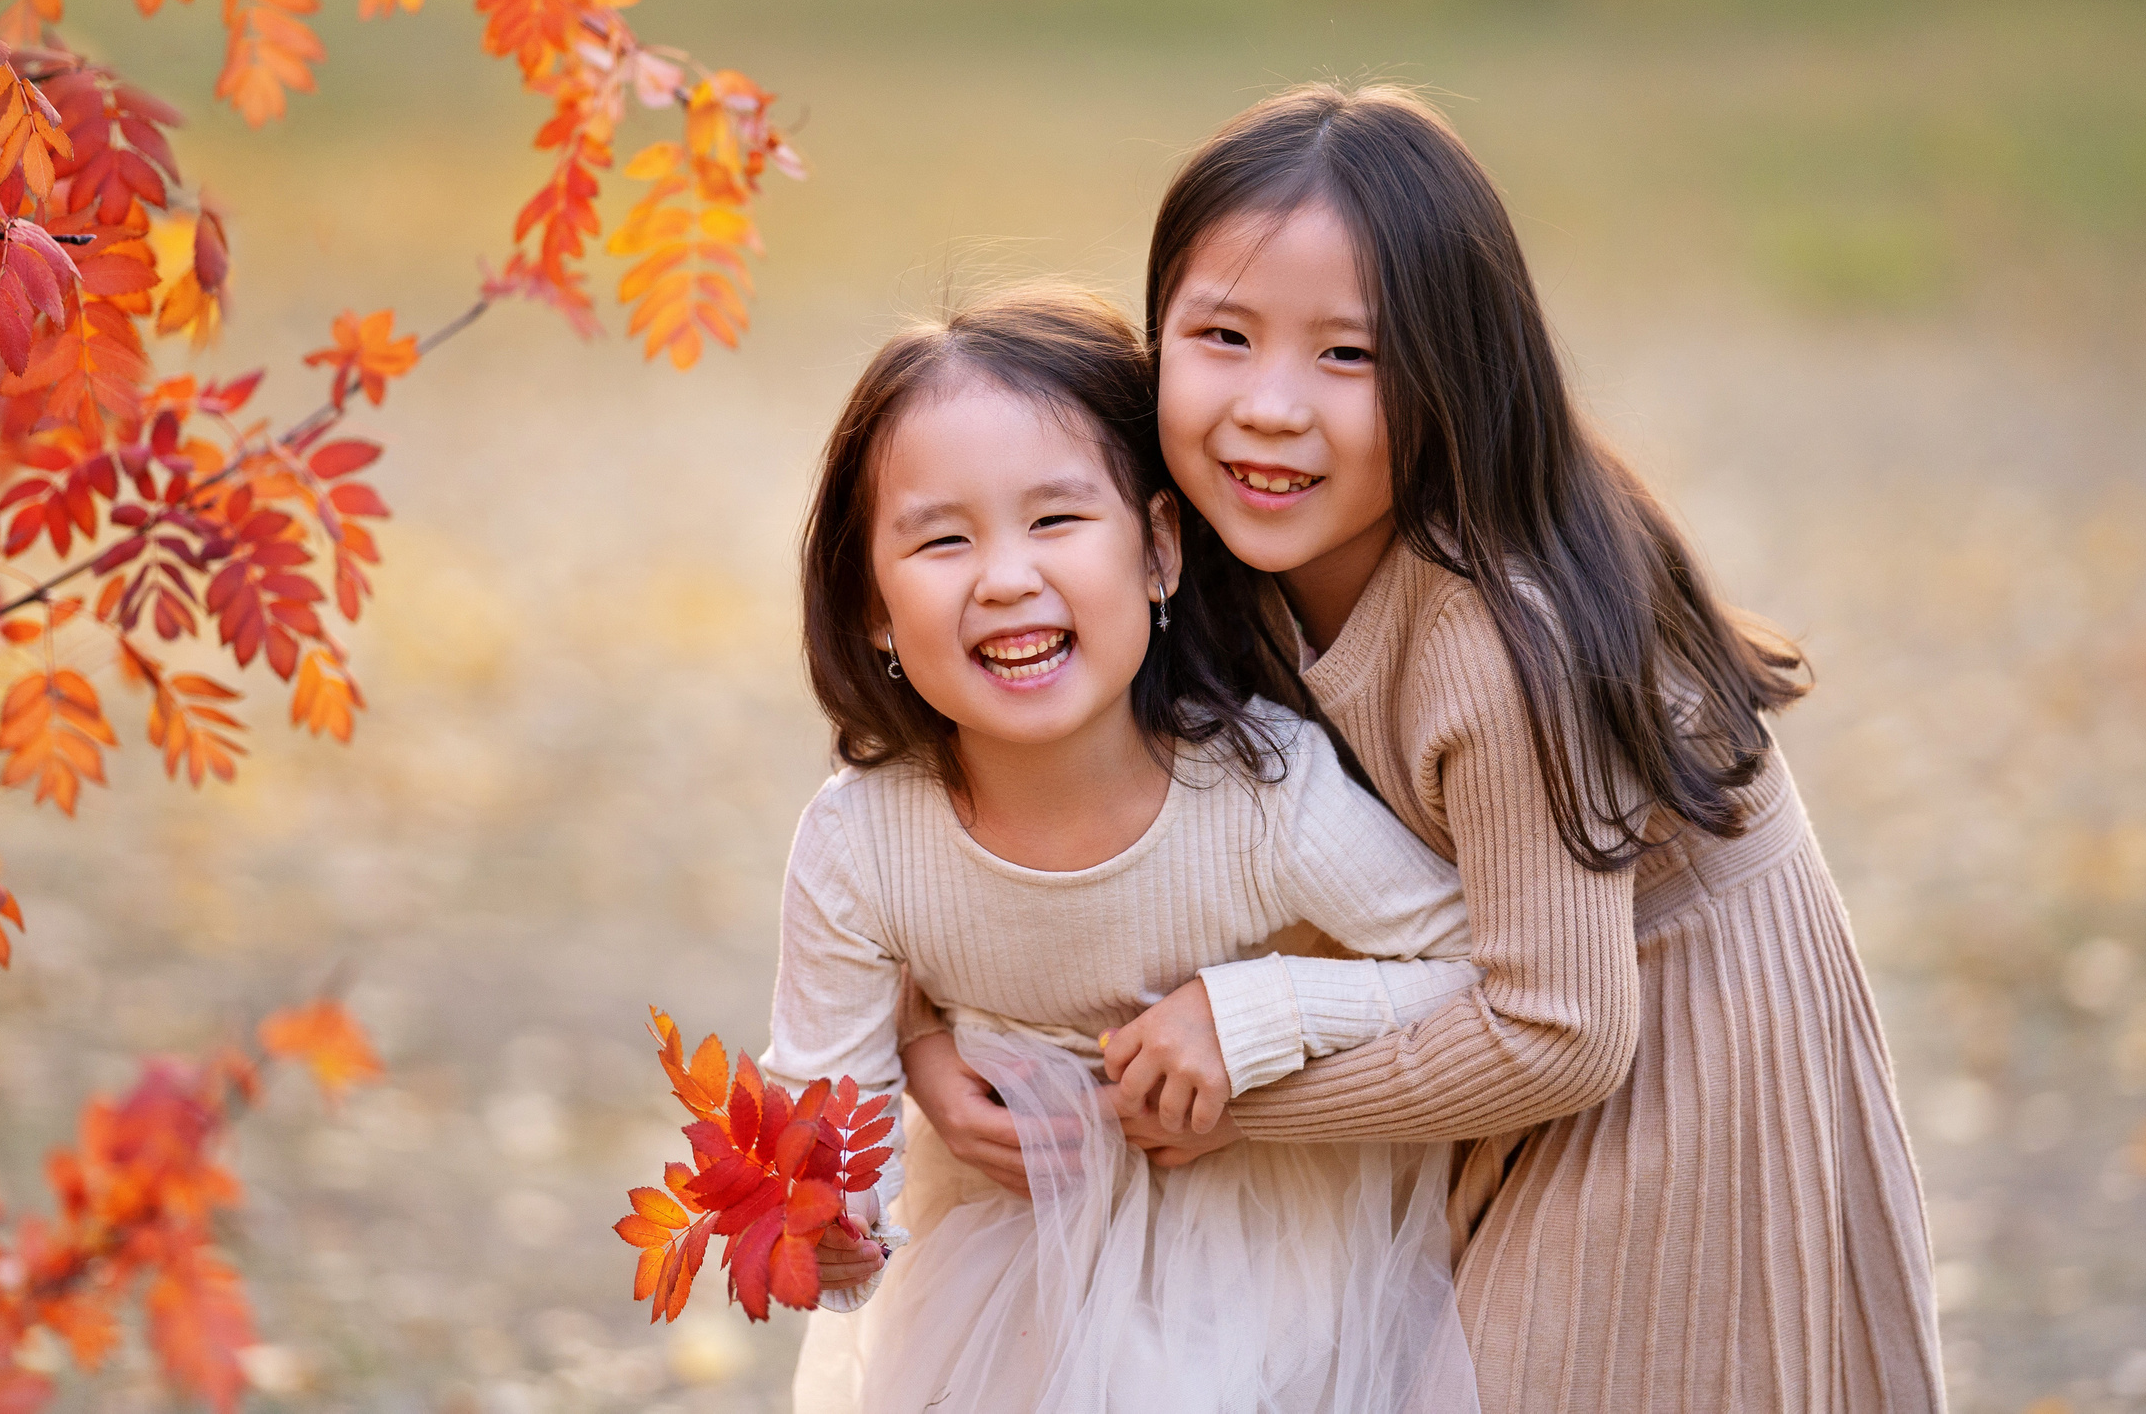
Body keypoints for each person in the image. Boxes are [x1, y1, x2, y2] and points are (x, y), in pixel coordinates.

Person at [902, 87, 1946, 1412]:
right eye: (1223, 336)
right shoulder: (1181, 538)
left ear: (1459, 372)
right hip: (1470, 1016)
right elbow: (960, 801)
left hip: (1671, 1053)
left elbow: (1564, 1034)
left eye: (1350, 357)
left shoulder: (1497, 642)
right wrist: (929, 1041)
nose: (1271, 409)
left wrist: (1227, 1086)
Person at [763, 287, 1487, 1414]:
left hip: (1269, 1265)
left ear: (1157, 548)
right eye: (943, 539)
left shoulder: (1261, 793)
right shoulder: (862, 840)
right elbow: (825, 1102)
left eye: (1054, 520)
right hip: (1010, 1262)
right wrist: (837, 1232)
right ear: (870, 603)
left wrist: (1253, 1013)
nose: (1004, 575)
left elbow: (1468, 973)